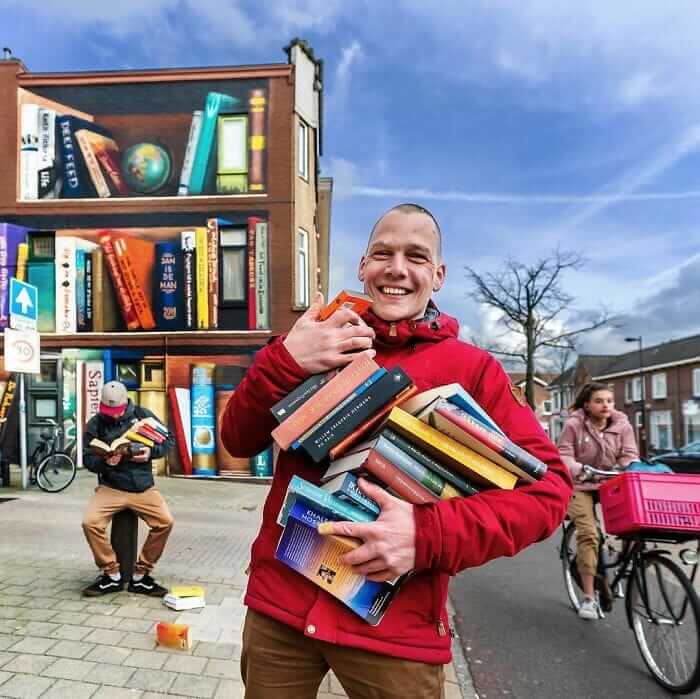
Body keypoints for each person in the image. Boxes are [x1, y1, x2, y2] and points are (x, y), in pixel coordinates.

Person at [222, 203, 573, 698]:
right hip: (281, 609)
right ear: (363, 264)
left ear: (439, 274)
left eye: (417, 256)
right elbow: (237, 439)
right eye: (383, 253)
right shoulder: (312, 339)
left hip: (392, 631)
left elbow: (549, 494)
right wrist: (282, 362)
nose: (397, 269)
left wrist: (426, 534)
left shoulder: (474, 370)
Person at [81, 381, 175, 597]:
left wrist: (151, 454)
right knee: (90, 523)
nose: (113, 416)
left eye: (117, 411)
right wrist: (105, 463)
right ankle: (111, 574)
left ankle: (141, 576)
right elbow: (87, 458)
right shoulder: (95, 423)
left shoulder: (143, 415)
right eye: (108, 411)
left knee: (165, 522)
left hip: (142, 487)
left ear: (126, 402)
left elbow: (169, 440)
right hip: (111, 486)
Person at [557, 381, 639, 620]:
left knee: (636, 522)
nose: (605, 405)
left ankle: (623, 563)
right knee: (590, 533)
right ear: (587, 404)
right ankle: (589, 598)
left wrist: (629, 467)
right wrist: (579, 468)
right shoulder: (574, 425)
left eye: (609, 401)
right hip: (580, 484)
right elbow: (563, 455)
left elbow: (629, 454)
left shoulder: (622, 425)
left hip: (609, 483)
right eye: (599, 401)